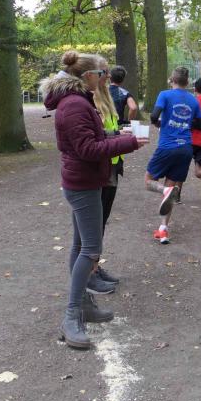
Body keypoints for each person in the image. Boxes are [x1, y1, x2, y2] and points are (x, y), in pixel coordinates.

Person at [40, 50, 148, 350]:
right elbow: (87, 149)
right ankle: (71, 316)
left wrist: (117, 137)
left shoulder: (77, 100)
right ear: (87, 75)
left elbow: (92, 139)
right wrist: (129, 143)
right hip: (83, 184)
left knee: (80, 246)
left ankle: (84, 306)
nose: (104, 78)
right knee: (90, 250)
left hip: (84, 181)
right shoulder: (74, 104)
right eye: (100, 73)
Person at [145, 67, 201, 244]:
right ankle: (163, 230)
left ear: (172, 80)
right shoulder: (193, 100)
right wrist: (185, 123)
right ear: (187, 82)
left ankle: (165, 190)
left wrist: (158, 123)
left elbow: (154, 116)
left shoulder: (165, 95)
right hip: (186, 148)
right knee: (171, 186)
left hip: (167, 146)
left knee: (149, 181)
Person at [87, 58, 126, 293]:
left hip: (112, 164)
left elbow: (108, 130)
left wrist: (120, 133)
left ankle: (94, 266)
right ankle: (89, 272)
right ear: (92, 74)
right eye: (105, 72)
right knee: (95, 222)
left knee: (102, 219)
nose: (109, 76)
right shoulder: (90, 99)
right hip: (100, 167)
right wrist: (119, 137)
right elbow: (95, 136)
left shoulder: (106, 96)